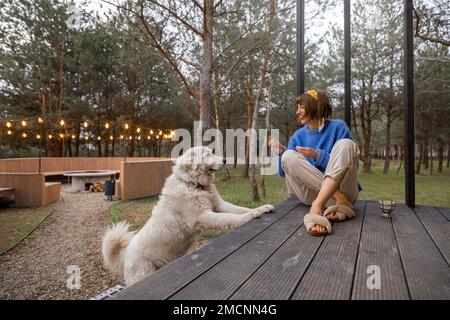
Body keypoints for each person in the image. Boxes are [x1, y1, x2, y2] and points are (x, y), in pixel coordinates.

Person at [269, 90, 360, 236]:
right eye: (297, 107)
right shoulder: (298, 136)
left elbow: (351, 166)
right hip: (311, 194)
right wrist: (280, 152)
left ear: (316, 107)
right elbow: (284, 172)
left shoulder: (338, 127)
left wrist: (318, 156)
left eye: (302, 107)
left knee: (346, 144)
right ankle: (340, 203)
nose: (297, 112)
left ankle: (319, 206)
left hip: (345, 190)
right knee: (288, 156)